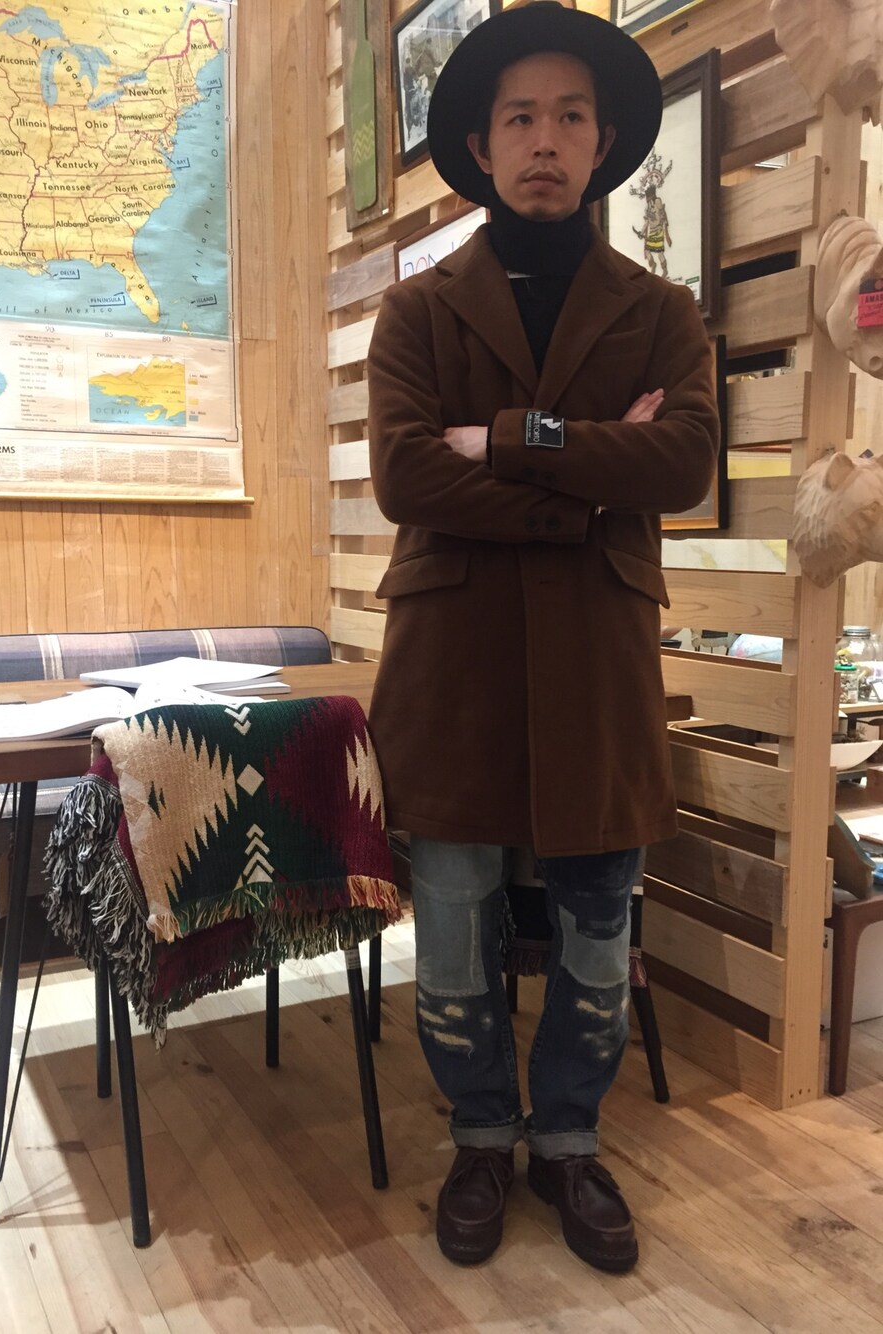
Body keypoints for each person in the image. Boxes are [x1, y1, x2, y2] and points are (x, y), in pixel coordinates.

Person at [366, 2, 719, 1272]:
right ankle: (478, 1134)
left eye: (571, 115)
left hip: (597, 665)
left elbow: (681, 461)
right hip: (453, 666)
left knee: (595, 921)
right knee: (453, 918)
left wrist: (509, 440)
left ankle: (567, 1140)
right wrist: (585, 487)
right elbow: (407, 476)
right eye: (519, 116)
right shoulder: (417, 312)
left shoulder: (659, 311)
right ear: (480, 142)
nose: (545, 139)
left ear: (603, 141)